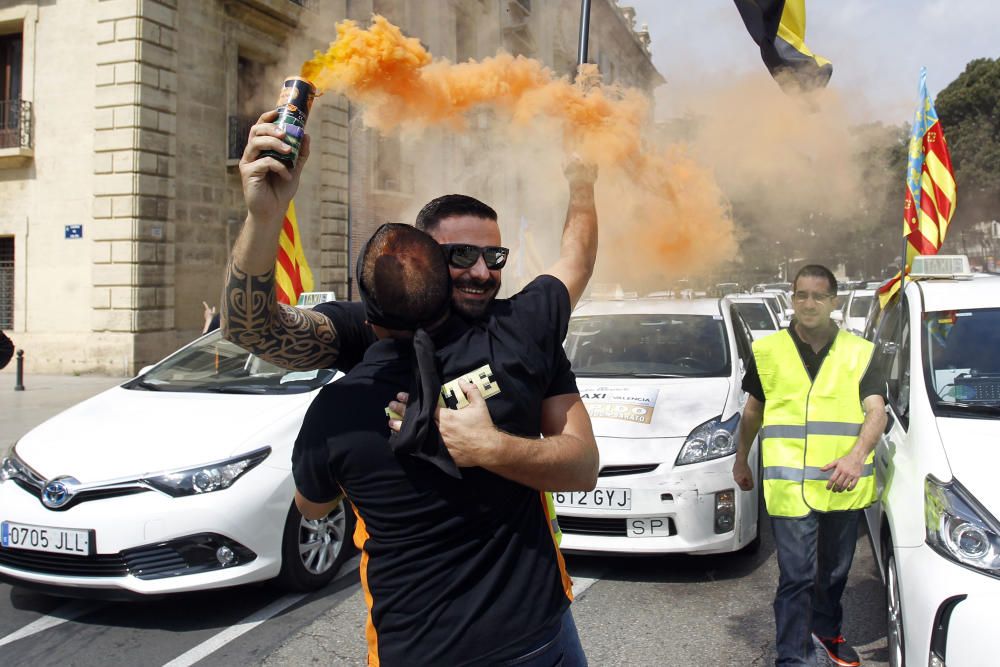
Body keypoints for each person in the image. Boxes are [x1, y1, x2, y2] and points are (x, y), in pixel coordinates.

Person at [293, 223, 596, 665]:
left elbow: (312, 508)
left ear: (368, 318)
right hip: (534, 634)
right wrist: (582, 179)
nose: (480, 270)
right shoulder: (516, 340)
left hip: (419, 649)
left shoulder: (335, 411)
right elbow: (577, 258)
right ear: (444, 294)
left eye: (492, 256)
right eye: (461, 256)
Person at [732, 264, 886, 667]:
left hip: (841, 482)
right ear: (791, 298)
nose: (809, 303)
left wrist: (857, 457)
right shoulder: (767, 352)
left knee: (833, 576)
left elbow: (876, 412)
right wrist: (740, 459)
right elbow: (753, 412)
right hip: (788, 487)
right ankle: (793, 657)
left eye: (819, 295)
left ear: (834, 302)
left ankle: (827, 633)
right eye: (801, 295)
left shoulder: (861, 352)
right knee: (797, 577)